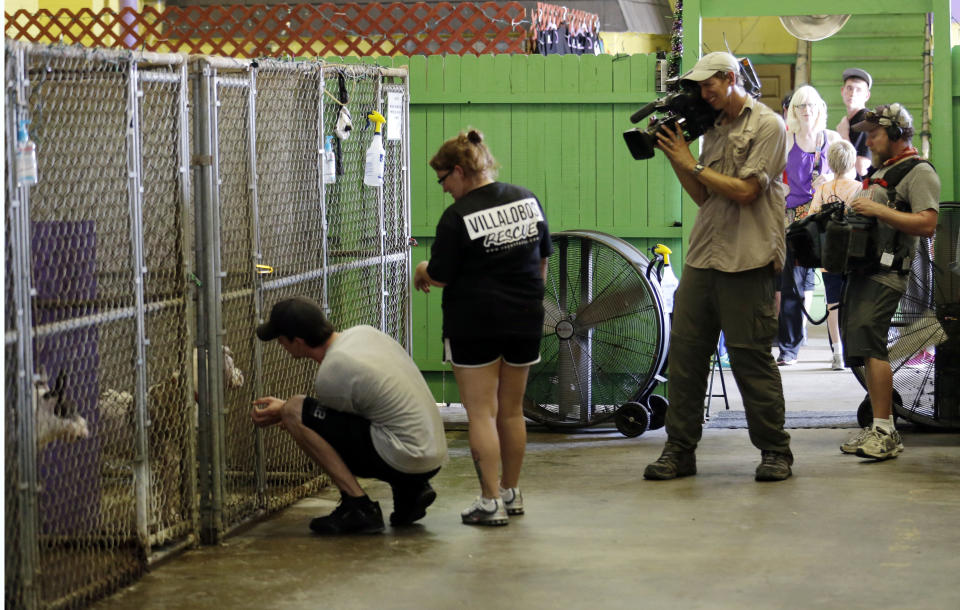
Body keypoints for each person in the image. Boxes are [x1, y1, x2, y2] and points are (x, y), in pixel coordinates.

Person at [644, 51, 794, 482]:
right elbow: (705, 197)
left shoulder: (768, 125)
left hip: (748, 258)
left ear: (729, 78)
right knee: (687, 358)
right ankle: (679, 451)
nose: (702, 93)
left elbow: (747, 191)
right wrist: (678, 156)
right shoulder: (712, 127)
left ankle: (775, 451)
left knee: (751, 359)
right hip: (705, 255)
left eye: (708, 85)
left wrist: (692, 163)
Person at [414, 129, 551, 525]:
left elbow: (439, 274)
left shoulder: (457, 216)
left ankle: (490, 501)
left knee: (481, 414)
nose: (444, 190)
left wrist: (421, 268)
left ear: (458, 171)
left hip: (475, 323)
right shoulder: (526, 199)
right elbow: (542, 261)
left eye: (443, 180)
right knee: (511, 412)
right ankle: (511, 492)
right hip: (526, 317)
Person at [251, 296, 448, 534]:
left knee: (295, 409)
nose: (280, 345)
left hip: (406, 457)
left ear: (299, 341)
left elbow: (324, 430)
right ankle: (411, 489)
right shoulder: (364, 333)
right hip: (433, 453)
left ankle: (358, 506)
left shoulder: (331, 372)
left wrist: (286, 412)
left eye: (281, 339)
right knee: (306, 412)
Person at [839, 104, 939, 460]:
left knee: (872, 342)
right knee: (863, 344)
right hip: (865, 271)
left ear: (897, 134)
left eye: (876, 133)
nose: (869, 139)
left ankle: (885, 429)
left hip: (889, 273)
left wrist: (878, 210)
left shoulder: (919, 172)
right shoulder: (881, 171)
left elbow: (928, 223)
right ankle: (877, 426)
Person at [777, 85, 842, 366]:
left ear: (820, 110)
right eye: (800, 106)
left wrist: (829, 178)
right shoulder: (786, 140)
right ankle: (789, 349)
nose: (806, 111)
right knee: (791, 286)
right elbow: (771, 176)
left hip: (826, 218)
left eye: (811, 106)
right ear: (792, 111)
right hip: (793, 221)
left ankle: (840, 349)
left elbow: (851, 172)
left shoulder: (833, 139)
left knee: (834, 284)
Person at [809, 140, 862, 370]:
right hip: (854, 254)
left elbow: (810, 218)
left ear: (830, 163)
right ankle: (855, 349)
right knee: (855, 302)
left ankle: (837, 353)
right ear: (852, 161)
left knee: (833, 303)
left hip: (828, 254)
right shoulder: (860, 188)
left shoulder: (822, 189)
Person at [835, 68, 873, 179]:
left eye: (859, 90)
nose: (852, 94)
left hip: (862, 192)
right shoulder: (848, 121)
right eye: (849, 88)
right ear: (842, 91)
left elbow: (862, 168)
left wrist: (844, 137)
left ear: (867, 96)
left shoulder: (867, 120)